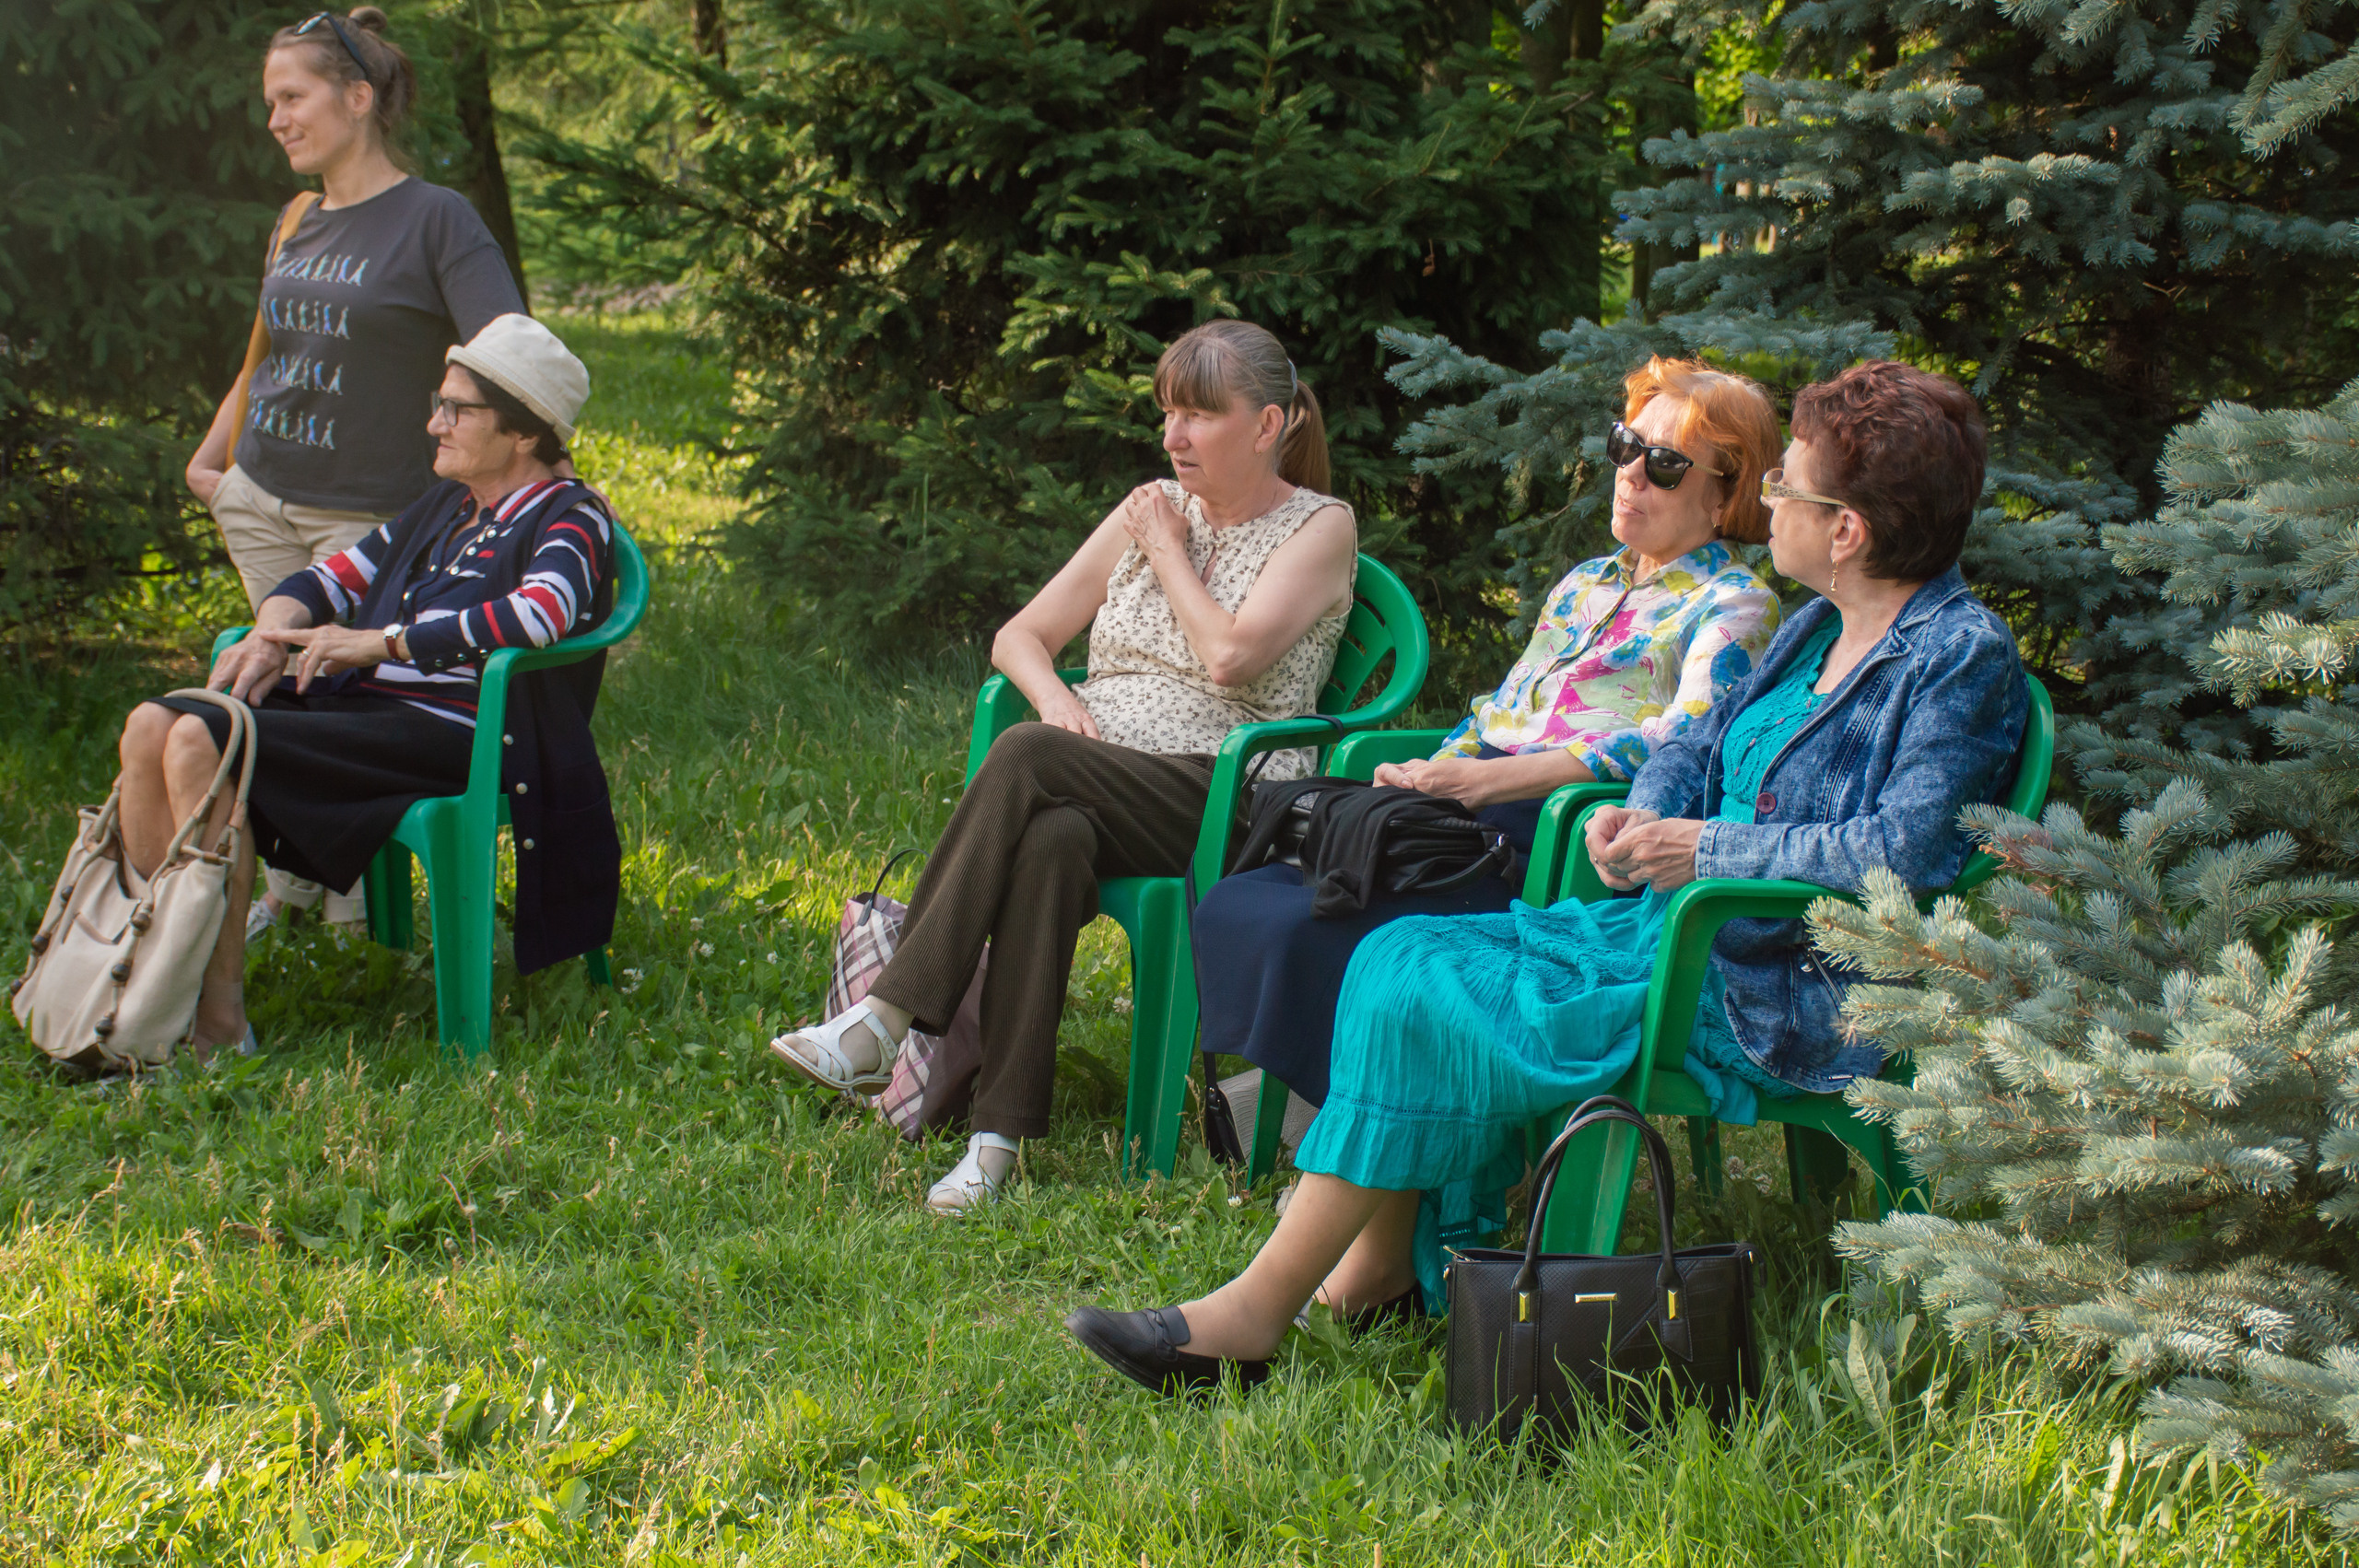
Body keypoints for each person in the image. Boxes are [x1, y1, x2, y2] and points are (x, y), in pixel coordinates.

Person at [1067, 359, 2031, 1395]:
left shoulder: (1956, 657)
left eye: (1787, 488)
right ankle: (1356, 1275)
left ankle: (1259, 1316)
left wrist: (1701, 852)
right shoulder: (1815, 628)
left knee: (1430, 978)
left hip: (1775, 979)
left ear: (1847, 531)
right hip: (1674, 928)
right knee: (1397, 955)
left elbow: (1904, 854)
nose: (1772, 506)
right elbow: (1695, 741)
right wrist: (1647, 811)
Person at [769, 321, 1360, 1213]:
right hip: (1100, 772)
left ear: (1269, 423)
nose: (1172, 437)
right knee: (1049, 835)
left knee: (1028, 760)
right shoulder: (1152, 506)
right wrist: (1056, 700)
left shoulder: (1317, 528)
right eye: (1167, 414)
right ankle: (994, 1144)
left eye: (1199, 415)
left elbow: (1231, 657)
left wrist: (1164, 550)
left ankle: (885, 1019)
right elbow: (1021, 636)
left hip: (1231, 795)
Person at [1191, 359, 1783, 1166]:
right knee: (1253, 898)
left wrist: (1484, 783)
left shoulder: (1734, 605)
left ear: (1727, 493)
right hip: (1470, 804)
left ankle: (1344, 1141)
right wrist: (1427, 772)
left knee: (1324, 925)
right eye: (1626, 447)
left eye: (1667, 465)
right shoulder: (1584, 584)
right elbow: (1503, 709)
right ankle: (1317, 1119)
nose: (1633, 476)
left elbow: (1681, 747)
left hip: (1557, 829)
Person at [121, 315, 617, 1057]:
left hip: (460, 736)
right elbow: (327, 578)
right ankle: (160, 979)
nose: (433, 423)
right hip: (370, 718)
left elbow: (541, 614)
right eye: (438, 402)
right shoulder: (447, 507)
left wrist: (382, 642)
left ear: (522, 432)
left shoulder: (570, 514)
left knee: (200, 734)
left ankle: (216, 1017)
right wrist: (270, 630)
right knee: (151, 725)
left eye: (456, 410)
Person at [184, 6, 529, 935]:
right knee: (285, 692)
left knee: (338, 702)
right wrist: (215, 460)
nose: (276, 119)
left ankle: (341, 902)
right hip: (261, 499)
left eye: (292, 97)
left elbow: (510, 356)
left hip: (366, 521)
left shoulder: (436, 220)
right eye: (270, 102)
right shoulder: (296, 217)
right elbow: (270, 355)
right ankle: (300, 886)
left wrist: (535, 483)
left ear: (359, 97)